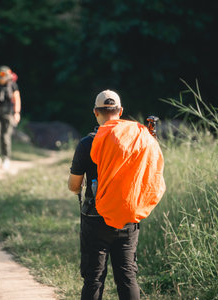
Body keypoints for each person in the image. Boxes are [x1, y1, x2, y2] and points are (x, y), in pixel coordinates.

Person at [68, 90, 166, 300]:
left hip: (95, 219)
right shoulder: (138, 139)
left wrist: (78, 188)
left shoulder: (87, 143)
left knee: (94, 277)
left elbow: (73, 185)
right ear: (120, 111)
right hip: (127, 218)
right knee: (127, 276)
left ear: (96, 113)